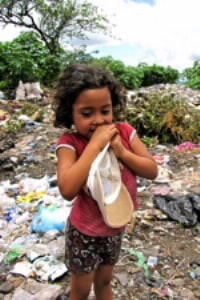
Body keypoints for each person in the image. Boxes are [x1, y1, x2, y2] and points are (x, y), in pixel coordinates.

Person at [53, 64, 158, 300]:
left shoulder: (124, 132)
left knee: (104, 281)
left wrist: (121, 151)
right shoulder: (70, 143)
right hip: (84, 233)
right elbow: (67, 189)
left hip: (115, 227)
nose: (99, 120)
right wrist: (95, 145)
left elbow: (152, 170)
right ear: (70, 113)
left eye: (105, 110)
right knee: (80, 290)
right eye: (87, 113)